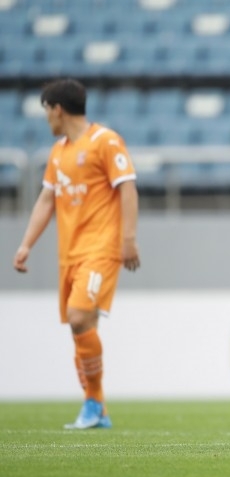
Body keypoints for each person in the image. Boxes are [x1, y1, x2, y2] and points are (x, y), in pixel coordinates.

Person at [12, 78, 140, 429]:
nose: (46, 120)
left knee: (79, 315)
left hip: (100, 248)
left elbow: (127, 185)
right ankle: (97, 408)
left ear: (57, 109)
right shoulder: (59, 152)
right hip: (69, 253)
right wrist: (26, 244)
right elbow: (46, 199)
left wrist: (128, 238)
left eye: (46, 112)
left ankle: (94, 401)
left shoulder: (105, 141)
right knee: (79, 327)